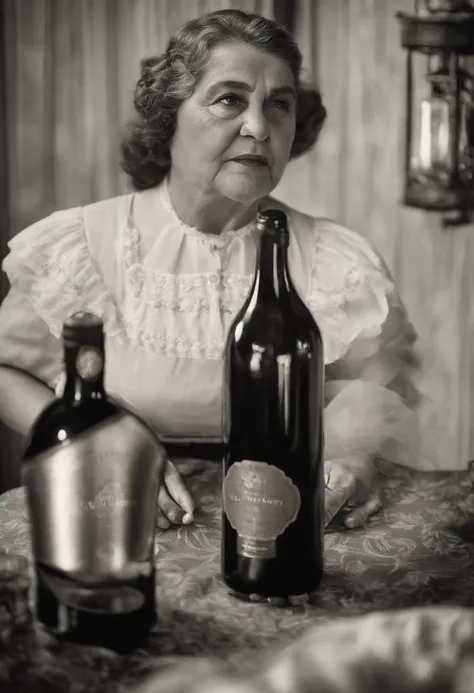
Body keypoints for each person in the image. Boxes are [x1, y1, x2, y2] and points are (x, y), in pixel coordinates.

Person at [0, 9, 420, 531]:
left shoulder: (336, 260)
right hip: (112, 510)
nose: (259, 128)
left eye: (279, 106)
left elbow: (372, 390)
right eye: (229, 100)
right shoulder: (82, 246)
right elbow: (6, 370)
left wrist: (351, 465)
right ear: (169, 115)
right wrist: (91, 441)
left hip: (282, 522)